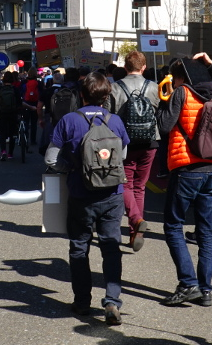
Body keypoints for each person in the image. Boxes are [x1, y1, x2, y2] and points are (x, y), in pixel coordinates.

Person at [45, 72, 129, 326]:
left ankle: (82, 301)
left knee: (79, 247)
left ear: (82, 94)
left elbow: (50, 159)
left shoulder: (70, 120)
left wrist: (70, 168)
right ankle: (112, 301)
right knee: (111, 248)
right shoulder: (115, 121)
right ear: (106, 96)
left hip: (81, 194)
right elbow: (122, 156)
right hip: (112, 195)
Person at [156, 53, 212, 307]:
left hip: (187, 167)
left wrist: (163, 100)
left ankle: (188, 283)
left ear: (178, 77)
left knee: (174, 226)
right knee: (206, 230)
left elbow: (165, 127)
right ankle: (206, 289)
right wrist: (209, 64)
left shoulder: (181, 93)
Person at [107, 50, 161, 252]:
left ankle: (136, 220)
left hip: (126, 142)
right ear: (144, 67)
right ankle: (134, 232)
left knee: (125, 184)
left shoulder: (115, 87)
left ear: (125, 67)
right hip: (150, 141)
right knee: (140, 186)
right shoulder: (154, 87)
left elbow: (109, 116)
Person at [0, 71, 22, 161]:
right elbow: (19, 102)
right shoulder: (15, 89)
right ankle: (10, 153)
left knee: (2, 133)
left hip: (1, 113)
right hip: (12, 113)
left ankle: (3, 151)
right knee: (12, 133)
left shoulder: (0, 89)